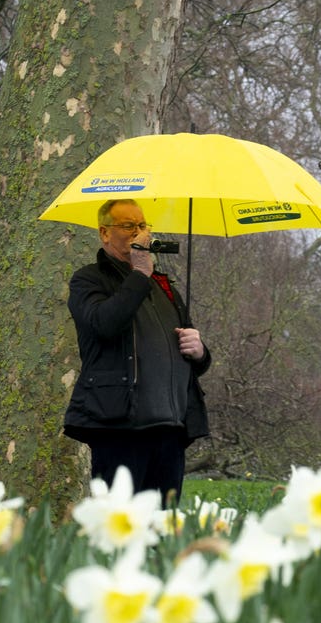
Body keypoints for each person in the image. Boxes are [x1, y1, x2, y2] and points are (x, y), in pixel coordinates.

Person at [62, 198, 211, 504]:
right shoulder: (89, 279)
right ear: (105, 233)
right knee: (118, 526)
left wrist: (200, 352)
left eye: (142, 225)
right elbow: (105, 323)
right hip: (120, 427)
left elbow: (188, 354)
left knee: (161, 529)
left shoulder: (162, 284)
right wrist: (139, 275)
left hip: (170, 429)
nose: (139, 233)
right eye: (128, 226)